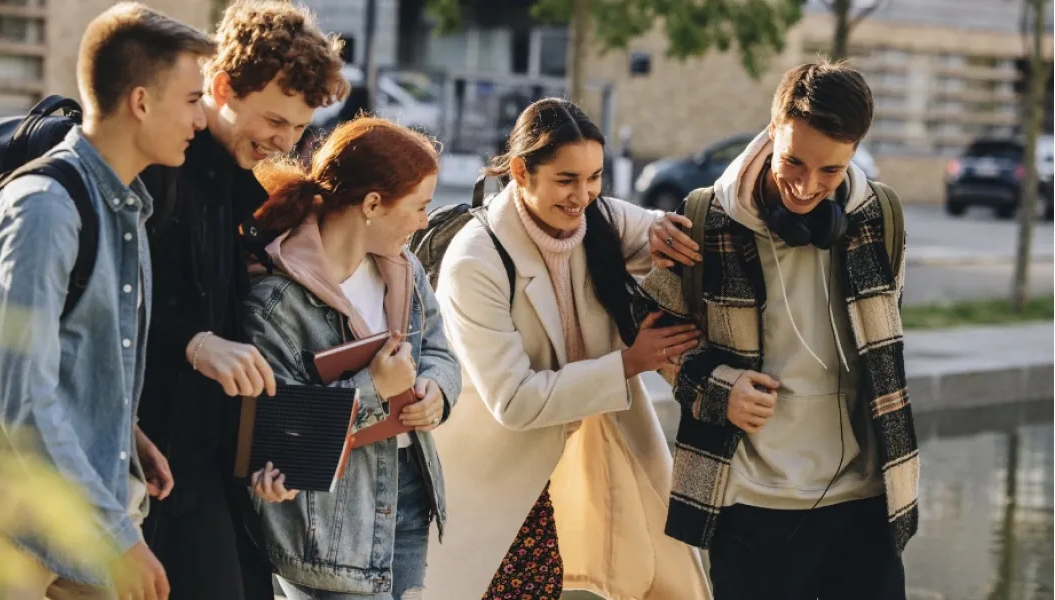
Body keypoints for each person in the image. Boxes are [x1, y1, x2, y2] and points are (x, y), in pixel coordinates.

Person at [0, 4, 215, 599]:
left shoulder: (127, 211)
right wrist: (116, 536)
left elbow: (74, 356)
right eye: (191, 99)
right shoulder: (45, 210)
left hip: (75, 535)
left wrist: (124, 434)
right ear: (140, 101)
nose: (202, 119)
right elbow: (24, 399)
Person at [642, 61, 918, 599]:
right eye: (793, 161)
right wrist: (719, 389)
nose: (806, 186)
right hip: (751, 507)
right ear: (772, 132)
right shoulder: (705, 220)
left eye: (831, 171)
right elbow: (653, 335)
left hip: (866, 501)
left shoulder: (881, 217)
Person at [424, 98, 711, 600]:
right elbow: (513, 401)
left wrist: (668, 231)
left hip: (586, 440)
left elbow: (670, 231)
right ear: (520, 171)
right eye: (566, 179)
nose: (583, 195)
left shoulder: (597, 219)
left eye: (594, 177)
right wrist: (630, 362)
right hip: (494, 465)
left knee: (653, 571)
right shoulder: (475, 261)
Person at [135, 2, 347, 598]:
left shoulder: (238, 185)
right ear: (222, 85)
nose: (285, 142)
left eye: (300, 128)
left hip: (206, 469)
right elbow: (108, 307)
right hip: (152, 465)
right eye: (275, 120)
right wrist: (193, 344)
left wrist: (261, 458)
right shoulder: (160, 169)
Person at [240, 117, 461, 600]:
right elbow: (273, 433)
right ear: (372, 204)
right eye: (420, 207)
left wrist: (437, 391)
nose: (426, 221)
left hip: (408, 496)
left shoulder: (405, 270)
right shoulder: (276, 302)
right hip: (329, 524)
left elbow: (441, 350)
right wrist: (374, 387)